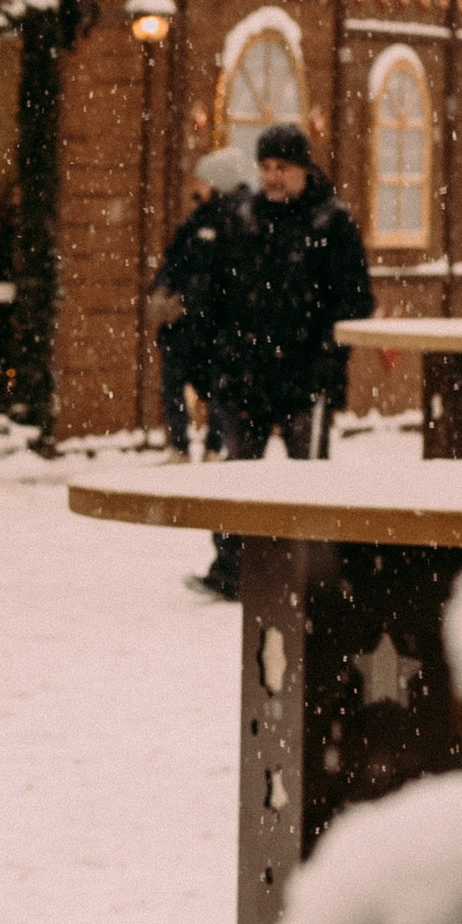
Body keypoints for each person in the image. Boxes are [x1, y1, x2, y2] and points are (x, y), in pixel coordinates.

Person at [188, 121, 372, 596]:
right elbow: (215, 290)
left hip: (305, 375)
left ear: (304, 170)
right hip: (245, 371)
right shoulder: (243, 219)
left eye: (282, 168)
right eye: (266, 167)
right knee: (239, 477)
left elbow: (353, 299)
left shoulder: (331, 223)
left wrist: (328, 360)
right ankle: (232, 567)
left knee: (308, 483)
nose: (272, 177)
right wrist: (215, 353)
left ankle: (314, 576)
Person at [145, 145, 253, 455]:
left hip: (215, 325)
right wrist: (161, 290)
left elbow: (222, 277)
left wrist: (189, 301)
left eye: (203, 180)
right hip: (186, 324)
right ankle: (181, 445)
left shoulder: (234, 222)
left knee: (218, 388)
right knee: (174, 383)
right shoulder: (196, 221)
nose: (197, 186)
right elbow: (174, 262)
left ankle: (212, 447)